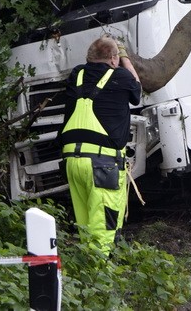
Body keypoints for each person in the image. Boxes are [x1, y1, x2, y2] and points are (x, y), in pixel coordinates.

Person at [58, 36, 141, 253]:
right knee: (104, 226)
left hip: (72, 161)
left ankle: (87, 273)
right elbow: (137, 91)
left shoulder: (77, 74)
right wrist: (125, 59)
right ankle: (100, 277)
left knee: (86, 225)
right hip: (102, 165)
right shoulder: (121, 76)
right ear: (113, 59)